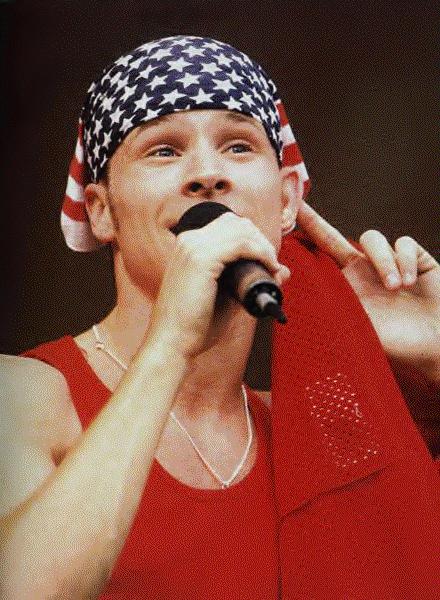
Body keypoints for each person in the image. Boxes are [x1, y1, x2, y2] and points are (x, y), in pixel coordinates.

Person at [1, 35, 439, 599]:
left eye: (238, 146)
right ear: (101, 210)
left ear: (286, 201)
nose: (208, 173)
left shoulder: (317, 432)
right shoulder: (26, 396)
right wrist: (170, 344)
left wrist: (434, 363)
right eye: (163, 150)